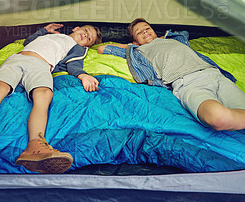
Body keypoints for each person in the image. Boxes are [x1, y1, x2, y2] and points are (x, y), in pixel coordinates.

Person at [0, 22, 102, 173]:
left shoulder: (77, 48)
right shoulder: (49, 35)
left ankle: (35, 146)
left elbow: (74, 65)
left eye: (88, 38)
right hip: (17, 59)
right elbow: (28, 42)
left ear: (87, 46)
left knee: (44, 95)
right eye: (86, 31)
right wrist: (44, 30)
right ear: (76, 28)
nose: (86, 35)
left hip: (41, 65)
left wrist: (83, 76)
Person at [98, 18, 245, 131]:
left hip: (214, 74)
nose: (145, 32)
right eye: (139, 32)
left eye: (147, 28)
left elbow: (183, 33)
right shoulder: (137, 51)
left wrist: (159, 38)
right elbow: (102, 48)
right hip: (186, 82)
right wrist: (132, 46)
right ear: (135, 40)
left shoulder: (175, 39)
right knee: (217, 118)